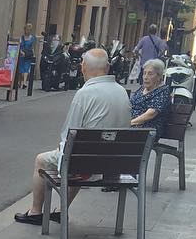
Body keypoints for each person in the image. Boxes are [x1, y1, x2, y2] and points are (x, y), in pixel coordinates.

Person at [14, 48, 131, 225]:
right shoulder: (122, 92)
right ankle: (62, 210)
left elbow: (69, 132)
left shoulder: (85, 94)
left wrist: (62, 152)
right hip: (113, 164)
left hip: (85, 163)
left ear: (83, 67)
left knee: (45, 159)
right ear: (107, 68)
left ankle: (36, 212)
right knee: (79, 155)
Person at [129, 59, 172, 140]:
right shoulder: (141, 89)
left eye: (150, 74)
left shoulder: (162, 91)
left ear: (159, 76)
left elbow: (150, 114)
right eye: (144, 73)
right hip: (134, 127)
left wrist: (129, 123)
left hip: (148, 130)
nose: (145, 77)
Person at [18, 22, 37, 89]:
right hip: (22, 55)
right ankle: (19, 82)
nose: (28, 31)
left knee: (26, 68)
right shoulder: (21, 38)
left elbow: (32, 47)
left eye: (29, 30)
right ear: (25, 29)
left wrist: (33, 55)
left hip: (28, 55)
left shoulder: (32, 38)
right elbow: (19, 46)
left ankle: (24, 83)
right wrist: (20, 52)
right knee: (20, 69)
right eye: (27, 29)